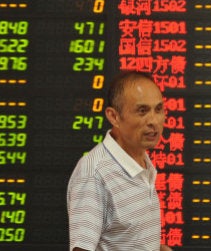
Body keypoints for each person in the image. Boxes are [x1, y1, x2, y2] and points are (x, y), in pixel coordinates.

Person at [67, 71, 173, 251]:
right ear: (114, 116)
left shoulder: (142, 162)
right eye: (142, 111)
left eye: (158, 109)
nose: (154, 121)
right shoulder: (94, 174)